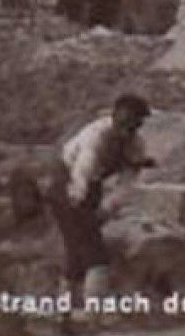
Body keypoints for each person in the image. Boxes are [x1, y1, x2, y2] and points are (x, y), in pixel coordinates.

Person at [46, 94, 157, 307]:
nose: (128, 128)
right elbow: (82, 171)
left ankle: (64, 310)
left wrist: (108, 207)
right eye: (125, 121)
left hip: (92, 187)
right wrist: (79, 201)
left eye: (135, 122)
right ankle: (92, 311)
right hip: (65, 183)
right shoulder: (96, 135)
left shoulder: (135, 144)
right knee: (94, 253)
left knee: (76, 250)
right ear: (115, 115)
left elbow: (127, 182)